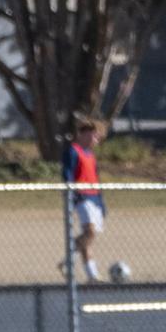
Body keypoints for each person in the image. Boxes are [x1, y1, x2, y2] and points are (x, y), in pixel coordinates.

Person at [62, 117, 106, 282]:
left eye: (96, 137)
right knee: (90, 232)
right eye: (92, 136)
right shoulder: (73, 151)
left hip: (94, 197)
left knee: (89, 238)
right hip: (82, 196)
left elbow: (95, 178)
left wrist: (102, 203)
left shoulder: (91, 155)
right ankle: (67, 261)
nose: (95, 140)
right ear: (82, 134)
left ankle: (92, 275)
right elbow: (67, 174)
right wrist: (71, 194)